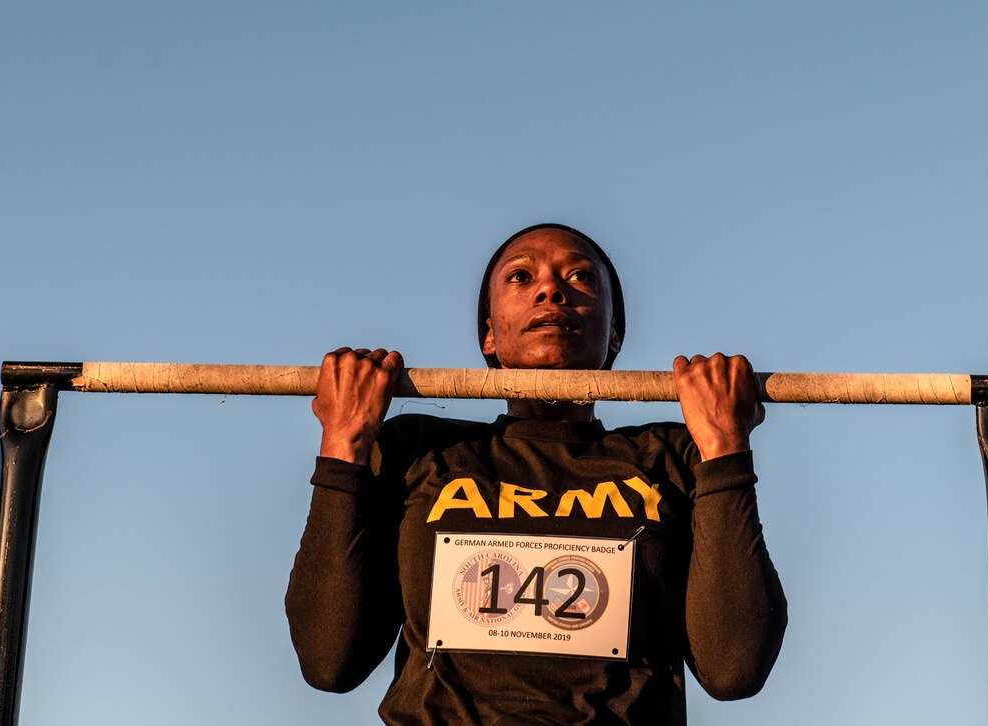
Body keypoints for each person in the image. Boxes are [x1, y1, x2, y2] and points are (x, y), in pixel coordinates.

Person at [286, 223, 787, 725]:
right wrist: (343, 444)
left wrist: (725, 448)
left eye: (581, 276)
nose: (551, 288)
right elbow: (330, 661)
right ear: (489, 333)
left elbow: (734, 669)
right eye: (522, 277)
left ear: (613, 334)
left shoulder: (674, 457)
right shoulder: (420, 450)